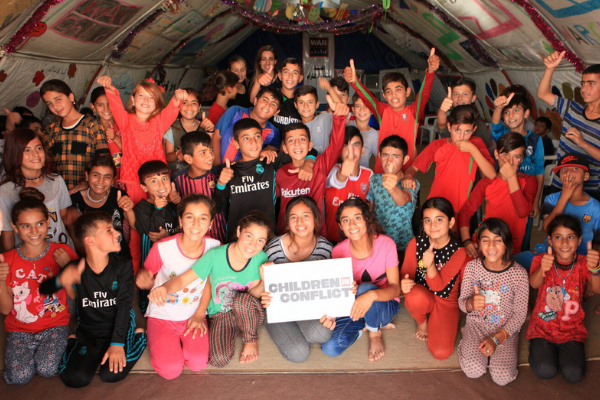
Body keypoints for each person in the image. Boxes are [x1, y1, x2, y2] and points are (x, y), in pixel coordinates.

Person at [148, 210, 274, 367]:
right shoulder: (215, 255)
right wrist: (164, 288)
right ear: (239, 231)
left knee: (242, 301)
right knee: (218, 360)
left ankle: (250, 339)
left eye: (260, 240)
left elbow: (253, 295)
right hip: (222, 314)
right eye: (249, 236)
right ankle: (236, 329)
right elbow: (184, 279)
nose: (253, 245)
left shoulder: (260, 258)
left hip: (247, 310)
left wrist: (264, 280)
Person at [41, 210, 146, 388]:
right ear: (90, 240)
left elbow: (124, 305)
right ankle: (73, 341)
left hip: (119, 327)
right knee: (76, 379)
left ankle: (139, 338)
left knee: (111, 374)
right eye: (108, 230)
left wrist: (117, 343)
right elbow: (44, 289)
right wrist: (61, 280)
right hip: (88, 331)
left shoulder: (123, 265)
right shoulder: (76, 268)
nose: (117, 233)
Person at [135, 194, 221, 379]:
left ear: (211, 223)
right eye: (190, 217)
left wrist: (200, 313)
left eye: (203, 218)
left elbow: (209, 283)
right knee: (170, 371)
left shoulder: (215, 248)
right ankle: (157, 337)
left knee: (198, 364)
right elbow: (146, 273)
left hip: (193, 315)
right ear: (180, 220)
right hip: (163, 315)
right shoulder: (163, 247)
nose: (196, 224)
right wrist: (144, 279)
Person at [0, 188, 78, 384]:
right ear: (15, 227)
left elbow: (79, 295)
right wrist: (1, 280)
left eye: (39, 224)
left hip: (55, 325)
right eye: (26, 226)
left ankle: (70, 339)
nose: (34, 232)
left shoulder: (62, 252)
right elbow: (6, 309)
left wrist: (67, 267)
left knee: (47, 369)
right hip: (19, 329)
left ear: (48, 223)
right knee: (18, 377)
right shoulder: (7, 261)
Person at [321, 198, 400, 361]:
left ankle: (375, 333)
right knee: (329, 348)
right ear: (341, 226)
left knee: (365, 289)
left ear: (367, 220)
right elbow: (340, 292)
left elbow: (395, 289)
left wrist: (371, 295)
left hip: (384, 305)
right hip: (355, 306)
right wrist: (332, 314)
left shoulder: (386, 244)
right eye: (346, 220)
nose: (352, 225)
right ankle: (363, 327)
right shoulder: (337, 251)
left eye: (357, 218)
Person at [527, 214, 600, 383]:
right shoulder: (542, 259)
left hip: (572, 329)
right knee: (545, 371)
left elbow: (596, 289)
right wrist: (542, 269)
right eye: (558, 237)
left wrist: (595, 269)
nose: (565, 243)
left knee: (574, 374)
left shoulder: (584, 263)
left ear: (579, 240)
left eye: (571, 237)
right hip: (543, 327)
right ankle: (539, 347)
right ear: (550, 241)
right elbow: (534, 284)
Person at [261, 196, 335, 362]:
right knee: (298, 354)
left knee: (322, 333)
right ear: (287, 223)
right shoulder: (273, 249)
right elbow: (261, 285)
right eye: (293, 217)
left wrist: (334, 311)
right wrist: (264, 293)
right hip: (278, 309)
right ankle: (294, 333)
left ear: (315, 219)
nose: (299, 222)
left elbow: (332, 287)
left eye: (305, 216)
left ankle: (302, 329)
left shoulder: (326, 249)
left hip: (308, 306)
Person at [457, 218, 529, 386]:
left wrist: (496, 339)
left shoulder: (519, 274)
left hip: (505, 329)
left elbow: (519, 316)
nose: (491, 246)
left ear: (507, 244)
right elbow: (462, 303)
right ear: (479, 244)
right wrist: (471, 304)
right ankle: (465, 335)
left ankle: (497, 349)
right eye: (485, 240)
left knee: (502, 377)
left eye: (498, 240)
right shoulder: (472, 268)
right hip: (476, 325)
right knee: (473, 370)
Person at [215, 118, 314, 239]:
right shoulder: (227, 170)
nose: (253, 142)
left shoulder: (271, 161)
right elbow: (218, 206)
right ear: (236, 143)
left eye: (257, 136)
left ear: (262, 139)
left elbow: (305, 151)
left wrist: (309, 162)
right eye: (246, 138)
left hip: (268, 236)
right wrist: (221, 183)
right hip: (237, 238)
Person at [96, 75, 187, 205]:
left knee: (157, 214)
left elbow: (171, 111)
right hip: (132, 179)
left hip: (157, 180)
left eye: (151, 97)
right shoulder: (125, 120)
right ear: (132, 100)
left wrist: (178, 98)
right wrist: (109, 88)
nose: (146, 100)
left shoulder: (159, 122)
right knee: (135, 216)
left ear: (156, 104)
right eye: (141, 96)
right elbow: (115, 106)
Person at [344, 50, 439, 172]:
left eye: (398, 89)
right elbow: (368, 99)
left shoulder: (413, 111)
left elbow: (424, 94)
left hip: (406, 171)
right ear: (384, 95)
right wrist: (354, 82)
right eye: (389, 91)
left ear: (408, 92)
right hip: (382, 170)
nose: (393, 94)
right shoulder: (383, 111)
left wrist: (430, 72)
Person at [401, 197, 469, 360]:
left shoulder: (458, 251)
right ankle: (422, 321)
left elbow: (439, 286)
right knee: (413, 295)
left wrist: (430, 265)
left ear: (451, 222)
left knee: (441, 353)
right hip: (422, 294)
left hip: (446, 300)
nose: (433, 226)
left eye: (439, 220)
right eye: (428, 220)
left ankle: (451, 316)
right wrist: (403, 283)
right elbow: (406, 273)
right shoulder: (416, 242)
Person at [403, 105, 496, 217]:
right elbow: (412, 168)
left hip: (462, 209)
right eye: (457, 130)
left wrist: (472, 149)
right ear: (449, 127)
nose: (461, 136)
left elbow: (491, 174)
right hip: (436, 205)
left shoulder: (477, 144)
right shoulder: (437, 145)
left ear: (474, 129)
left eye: (467, 131)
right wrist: (408, 176)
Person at [275, 95, 348, 235]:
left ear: (310, 146)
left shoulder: (320, 166)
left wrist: (338, 118)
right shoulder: (280, 173)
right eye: (291, 141)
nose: (297, 144)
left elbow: (336, 146)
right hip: (286, 237)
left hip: (316, 237)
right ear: (284, 148)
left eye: (302, 139)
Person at [514, 153, 600, 271]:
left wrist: (594, 269)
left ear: (586, 176)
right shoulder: (552, 199)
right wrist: (564, 196)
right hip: (548, 252)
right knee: (511, 263)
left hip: (578, 260)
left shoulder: (595, 208)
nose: (569, 173)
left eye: (575, 169)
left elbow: (598, 244)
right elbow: (547, 228)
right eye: (564, 169)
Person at [459, 133, 537, 257]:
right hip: (484, 245)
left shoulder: (529, 181)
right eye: (506, 155)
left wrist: (511, 176)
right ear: (496, 154)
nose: (510, 161)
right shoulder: (486, 183)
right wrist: (466, 241)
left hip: (511, 250)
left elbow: (522, 212)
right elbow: (466, 212)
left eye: (516, 156)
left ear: (521, 159)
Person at [537, 51, 600, 200]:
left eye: (591, 84)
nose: (584, 89)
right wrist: (550, 68)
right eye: (583, 83)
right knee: (553, 222)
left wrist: (582, 143)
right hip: (560, 183)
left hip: (589, 190)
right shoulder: (571, 109)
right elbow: (542, 94)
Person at [0, 129, 74, 251]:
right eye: (27, 150)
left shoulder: (56, 181)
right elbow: (8, 235)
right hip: (29, 260)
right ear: (15, 154)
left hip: (62, 252)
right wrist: (11, 265)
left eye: (38, 148)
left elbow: (64, 218)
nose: (35, 154)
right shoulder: (6, 191)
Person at [40, 79, 109, 190]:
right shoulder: (52, 130)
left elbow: (104, 161)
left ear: (71, 97)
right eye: (49, 104)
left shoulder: (92, 125)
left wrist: (85, 184)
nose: (55, 106)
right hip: (61, 194)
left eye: (58, 99)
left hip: (87, 193)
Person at [491, 92, 544, 227]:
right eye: (506, 112)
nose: (511, 115)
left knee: (524, 231)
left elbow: (539, 171)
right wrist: (498, 108)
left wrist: (536, 201)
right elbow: (495, 125)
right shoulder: (503, 136)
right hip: (504, 191)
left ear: (526, 113)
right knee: (502, 227)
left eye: (516, 110)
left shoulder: (535, 139)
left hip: (527, 194)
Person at [70, 154, 135, 259]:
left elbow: (134, 225)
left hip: (118, 259)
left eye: (107, 177)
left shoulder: (118, 196)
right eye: (96, 175)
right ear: (87, 175)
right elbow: (74, 236)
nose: (101, 181)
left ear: (113, 180)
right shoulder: (75, 200)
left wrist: (129, 209)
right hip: (88, 260)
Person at [368, 135, 419, 264]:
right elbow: (370, 210)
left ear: (405, 159)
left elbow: (403, 199)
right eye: (385, 155)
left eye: (395, 156)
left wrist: (392, 187)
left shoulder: (411, 183)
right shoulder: (374, 180)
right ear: (379, 156)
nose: (389, 161)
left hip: (404, 245)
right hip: (379, 243)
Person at [172, 130, 227, 243]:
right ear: (188, 158)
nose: (210, 156)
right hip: (190, 242)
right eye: (203, 152)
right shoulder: (177, 180)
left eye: (211, 150)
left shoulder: (219, 175)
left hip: (218, 239)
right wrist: (171, 201)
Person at [325, 127, 373, 243]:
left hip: (358, 238)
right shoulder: (330, 170)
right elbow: (337, 181)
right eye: (345, 145)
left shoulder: (369, 174)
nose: (350, 150)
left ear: (362, 150)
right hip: (332, 239)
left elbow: (370, 206)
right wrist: (344, 173)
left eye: (355, 145)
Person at [212, 86, 283, 165]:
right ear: (255, 101)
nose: (267, 105)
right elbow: (216, 137)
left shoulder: (273, 132)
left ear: (276, 112)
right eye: (264, 100)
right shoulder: (235, 111)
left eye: (273, 104)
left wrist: (261, 153)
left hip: (243, 173)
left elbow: (276, 145)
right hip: (219, 167)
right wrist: (217, 167)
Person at [134, 161, 180, 266]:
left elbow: (182, 228)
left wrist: (179, 204)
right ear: (144, 187)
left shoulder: (174, 204)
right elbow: (154, 232)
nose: (161, 185)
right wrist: (158, 209)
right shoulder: (142, 207)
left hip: (173, 259)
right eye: (154, 181)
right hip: (152, 262)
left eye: (164, 178)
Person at [436, 78, 494, 154]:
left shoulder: (480, 125)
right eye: (456, 94)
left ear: (473, 98)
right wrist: (442, 109)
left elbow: (486, 150)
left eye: (465, 94)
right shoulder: (449, 122)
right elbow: (441, 123)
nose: (460, 98)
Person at [164, 88, 214, 172]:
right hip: (177, 176)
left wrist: (211, 131)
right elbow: (168, 157)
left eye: (194, 103)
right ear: (178, 106)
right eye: (184, 102)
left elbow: (212, 153)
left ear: (199, 107)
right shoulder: (172, 128)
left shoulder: (205, 127)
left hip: (200, 176)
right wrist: (177, 154)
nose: (189, 106)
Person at [293, 84, 343, 155]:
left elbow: (341, 109)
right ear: (295, 105)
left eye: (310, 102)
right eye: (301, 102)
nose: (305, 106)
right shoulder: (293, 129)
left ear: (317, 104)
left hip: (325, 165)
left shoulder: (324, 119)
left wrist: (329, 88)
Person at [89, 87, 122, 180]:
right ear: (93, 107)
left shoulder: (124, 125)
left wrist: (115, 138)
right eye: (100, 105)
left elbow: (135, 153)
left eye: (110, 103)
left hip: (126, 178)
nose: (106, 109)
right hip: (102, 183)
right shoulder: (91, 130)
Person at [270, 58, 303, 134]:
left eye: (295, 73)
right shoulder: (271, 96)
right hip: (270, 144)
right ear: (280, 76)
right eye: (286, 72)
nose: (290, 76)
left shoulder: (303, 101)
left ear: (300, 78)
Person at [348, 94, 379, 168]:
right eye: (358, 106)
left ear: (372, 110)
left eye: (366, 106)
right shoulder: (346, 126)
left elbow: (377, 158)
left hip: (362, 175)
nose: (362, 110)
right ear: (353, 110)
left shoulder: (374, 135)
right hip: (343, 174)